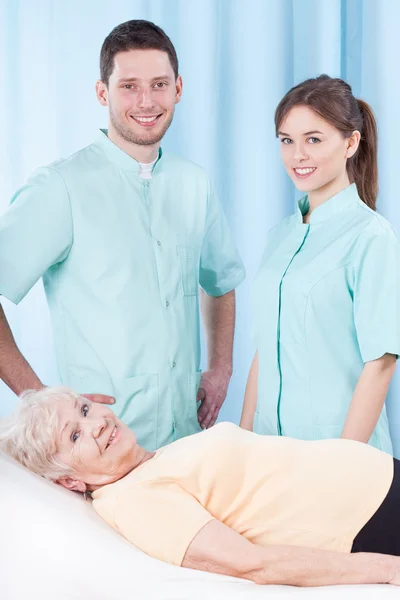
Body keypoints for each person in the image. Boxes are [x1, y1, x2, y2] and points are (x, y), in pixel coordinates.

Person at [0, 20, 245, 450]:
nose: (146, 101)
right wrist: (37, 401)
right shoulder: (60, 188)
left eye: (159, 84)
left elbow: (221, 281)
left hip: (188, 447)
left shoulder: (195, 184)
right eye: (129, 86)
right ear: (102, 93)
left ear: (179, 88)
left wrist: (221, 367)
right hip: (104, 456)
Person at [1, 386, 400, 588]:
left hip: (380, 480)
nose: (97, 424)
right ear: (71, 481)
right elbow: (250, 564)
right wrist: (386, 568)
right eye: (74, 436)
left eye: (85, 410)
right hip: (374, 520)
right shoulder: (133, 500)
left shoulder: (150, 463)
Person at [240, 75, 400, 453]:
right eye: (287, 140)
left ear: (351, 143)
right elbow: (265, 351)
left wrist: (339, 467)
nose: (298, 155)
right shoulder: (279, 237)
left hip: (337, 460)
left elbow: (381, 362)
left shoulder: (371, 236)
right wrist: (241, 445)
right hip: (269, 459)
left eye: (314, 139)